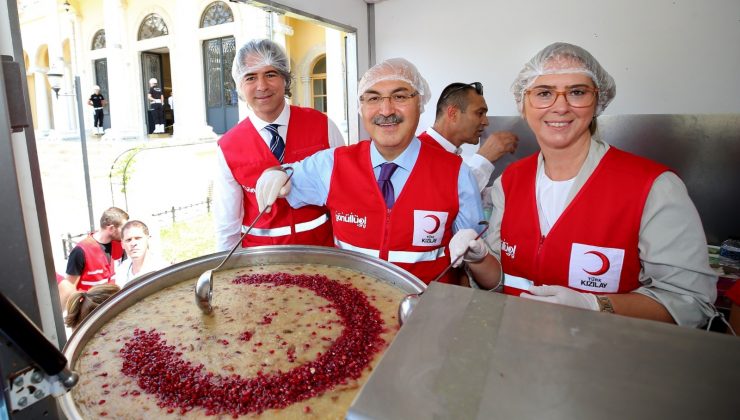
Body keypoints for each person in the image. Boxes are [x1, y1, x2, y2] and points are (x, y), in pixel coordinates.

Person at [468, 42, 717, 327]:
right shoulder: (510, 182)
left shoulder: (653, 187)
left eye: (577, 92)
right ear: (524, 104)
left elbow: (690, 301)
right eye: (544, 93)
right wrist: (479, 260)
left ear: (597, 101)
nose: (560, 106)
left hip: (608, 362)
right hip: (517, 352)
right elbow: (499, 280)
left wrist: (596, 305)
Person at [255, 58, 500, 285]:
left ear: (420, 103)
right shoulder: (332, 165)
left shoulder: (456, 174)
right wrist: (274, 173)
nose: (386, 110)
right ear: (361, 107)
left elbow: (484, 277)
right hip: (354, 317)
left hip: (425, 318)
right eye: (373, 99)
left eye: (400, 97)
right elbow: (286, 174)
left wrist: (477, 257)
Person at [214, 39, 345, 251]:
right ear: (240, 85)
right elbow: (226, 223)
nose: (262, 86)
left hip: (321, 257)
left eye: (270, 74)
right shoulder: (228, 146)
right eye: (250, 77)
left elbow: (345, 194)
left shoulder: (323, 126)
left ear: (285, 78)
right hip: (261, 264)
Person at [418, 82, 518, 193]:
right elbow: (448, 198)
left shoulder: (451, 156)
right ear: (453, 113)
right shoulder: (418, 152)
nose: (486, 122)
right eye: (479, 113)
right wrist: (484, 158)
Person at [58, 207, 129, 306]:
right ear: (111, 228)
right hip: (90, 313)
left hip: (111, 306)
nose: (126, 232)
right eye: (123, 228)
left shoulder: (119, 245)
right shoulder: (80, 251)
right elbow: (69, 289)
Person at [115, 220, 168, 288]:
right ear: (122, 244)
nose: (133, 243)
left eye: (138, 238)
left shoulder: (162, 269)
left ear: (148, 239)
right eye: (128, 240)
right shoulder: (121, 271)